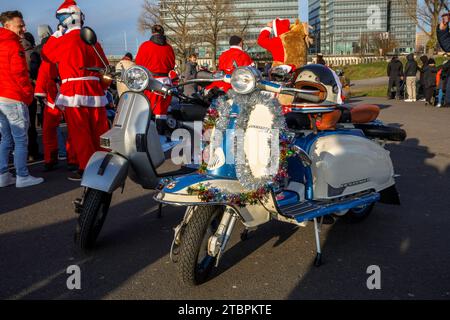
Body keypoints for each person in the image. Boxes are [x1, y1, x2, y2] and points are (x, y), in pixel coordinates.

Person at [41, 0, 110, 181]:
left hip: (73, 88)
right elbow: (105, 68)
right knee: (99, 129)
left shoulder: (63, 40)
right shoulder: (93, 40)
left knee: (80, 132)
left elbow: (46, 55)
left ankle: (86, 167)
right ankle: (104, 165)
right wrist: (102, 87)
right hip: (94, 88)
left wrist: (56, 34)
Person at [0, 10, 44, 188]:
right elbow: (20, 74)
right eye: (20, 25)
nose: (24, 28)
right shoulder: (13, 44)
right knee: (20, 139)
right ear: (7, 25)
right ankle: (22, 176)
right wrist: (28, 95)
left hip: (1, 97)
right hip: (13, 96)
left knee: (5, 138)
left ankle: (3, 175)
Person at [136, 24, 175, 136]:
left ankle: (151, 137)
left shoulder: (145, 46)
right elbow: (172, 65)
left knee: (149, 111)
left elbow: (139, 64)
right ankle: (162, 134)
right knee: (162, 112)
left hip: (151, 81)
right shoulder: (169, 47)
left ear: (152, 33)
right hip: (166, 82)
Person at [21, 31, 42, 161]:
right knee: (30, 123)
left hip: (14, 93)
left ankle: (19, 154)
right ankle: (32, 153)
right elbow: (36, 71)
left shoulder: (10, 50)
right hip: (30, 90)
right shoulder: (32, 53)